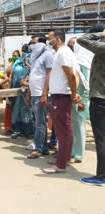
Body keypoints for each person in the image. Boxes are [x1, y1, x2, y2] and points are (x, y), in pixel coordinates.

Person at [42, 30, 81, 174]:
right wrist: (73, 93)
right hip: (63, 95)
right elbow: (74, 74)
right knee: (65, 129)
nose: (48, 40)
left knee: (62, 131)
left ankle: (60, 165)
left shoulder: (63, 52)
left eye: (50, 38)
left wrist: (73, 93)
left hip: (62, 95)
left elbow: (71, 74)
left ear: (57, 39)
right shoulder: (65, 53)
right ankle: (63, 158)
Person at [77, 24, 105, 185]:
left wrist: (100, 33)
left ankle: (101, 176)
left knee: (101, 140)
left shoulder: (102, 47)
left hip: (100, 99)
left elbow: (82, 39)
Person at [26, 35, 54, 159]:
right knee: (36, 122)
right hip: (34, 94)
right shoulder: (35, 56)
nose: (32, 45)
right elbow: (33, 75)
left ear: (42, 43)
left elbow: (49, 75)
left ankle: (38, 149)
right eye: (31, 42)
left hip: (41, 95)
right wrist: (29, 93)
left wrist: (44, 94)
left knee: (40, 123)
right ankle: (44, 147)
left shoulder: (47, 55)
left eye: (34, 42)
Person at [68, 38, 91, 164]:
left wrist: (83, 101)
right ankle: (72, 151)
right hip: (73, 99)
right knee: (73, 126)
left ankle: (78, 155)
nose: (69, 48)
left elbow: (87, 84)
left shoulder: (84, 62)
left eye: (71, 46)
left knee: (79, 126)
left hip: (80, 99)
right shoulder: (75, 60)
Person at [10, 45, 34, 139]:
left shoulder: (33, 62)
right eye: (24, 51)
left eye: (27, 51)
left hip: (28, 90)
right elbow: (12, 76)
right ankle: (17, 130)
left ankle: (29, 131)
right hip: (16, 90)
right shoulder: (17, 62)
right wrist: (10, 88)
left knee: (27, 111)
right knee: (16, 110)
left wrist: (26, 81)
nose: (25, 54)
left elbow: (33, 73)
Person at [4, 50, 20, 135]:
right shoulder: (10, 66)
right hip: (10, 88)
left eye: (16, 56)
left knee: (17, 109)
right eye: (13, 55)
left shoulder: (21, 66)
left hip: (19, 89)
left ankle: (17, 128)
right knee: (9, 108)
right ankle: (8, 128)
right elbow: (7, 77)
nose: (14, 57)